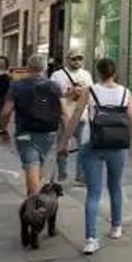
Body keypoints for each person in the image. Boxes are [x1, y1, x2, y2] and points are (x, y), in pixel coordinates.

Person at [61, 57, 132, 255]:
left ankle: (90, 239)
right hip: (118, 146)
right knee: (115, 186)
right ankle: (116, 227)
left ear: (98, 72)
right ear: (114, 73)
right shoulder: (125, 93)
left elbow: (76, 117)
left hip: (92, 144)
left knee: (93, 193)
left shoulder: (90, 91)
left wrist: (64, 142)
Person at [0, 54, 63, 198]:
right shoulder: (54, 86)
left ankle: (34, 202)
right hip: (49, 132)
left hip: (25, 132)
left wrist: (3, 129)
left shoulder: (18, 86)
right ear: (45, 68)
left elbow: (5, 112)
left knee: (32, 164)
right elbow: (64, 113)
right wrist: (67, 136)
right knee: (38, 162)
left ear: (28, 67)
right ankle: (34, 194)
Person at [50, 51, 92, 185]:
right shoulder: (57, 75)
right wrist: (69, 92)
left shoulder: (86, 74)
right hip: (65, 115)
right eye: (74, 59)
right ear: (67, 60)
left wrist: (83, 93)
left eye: (80, 58)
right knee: (63, 146)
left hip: (82, 116)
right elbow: (53, 94)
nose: (77, 61)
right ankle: (62, 173)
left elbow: (91, 93)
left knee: (84, 147)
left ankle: (81, 176)